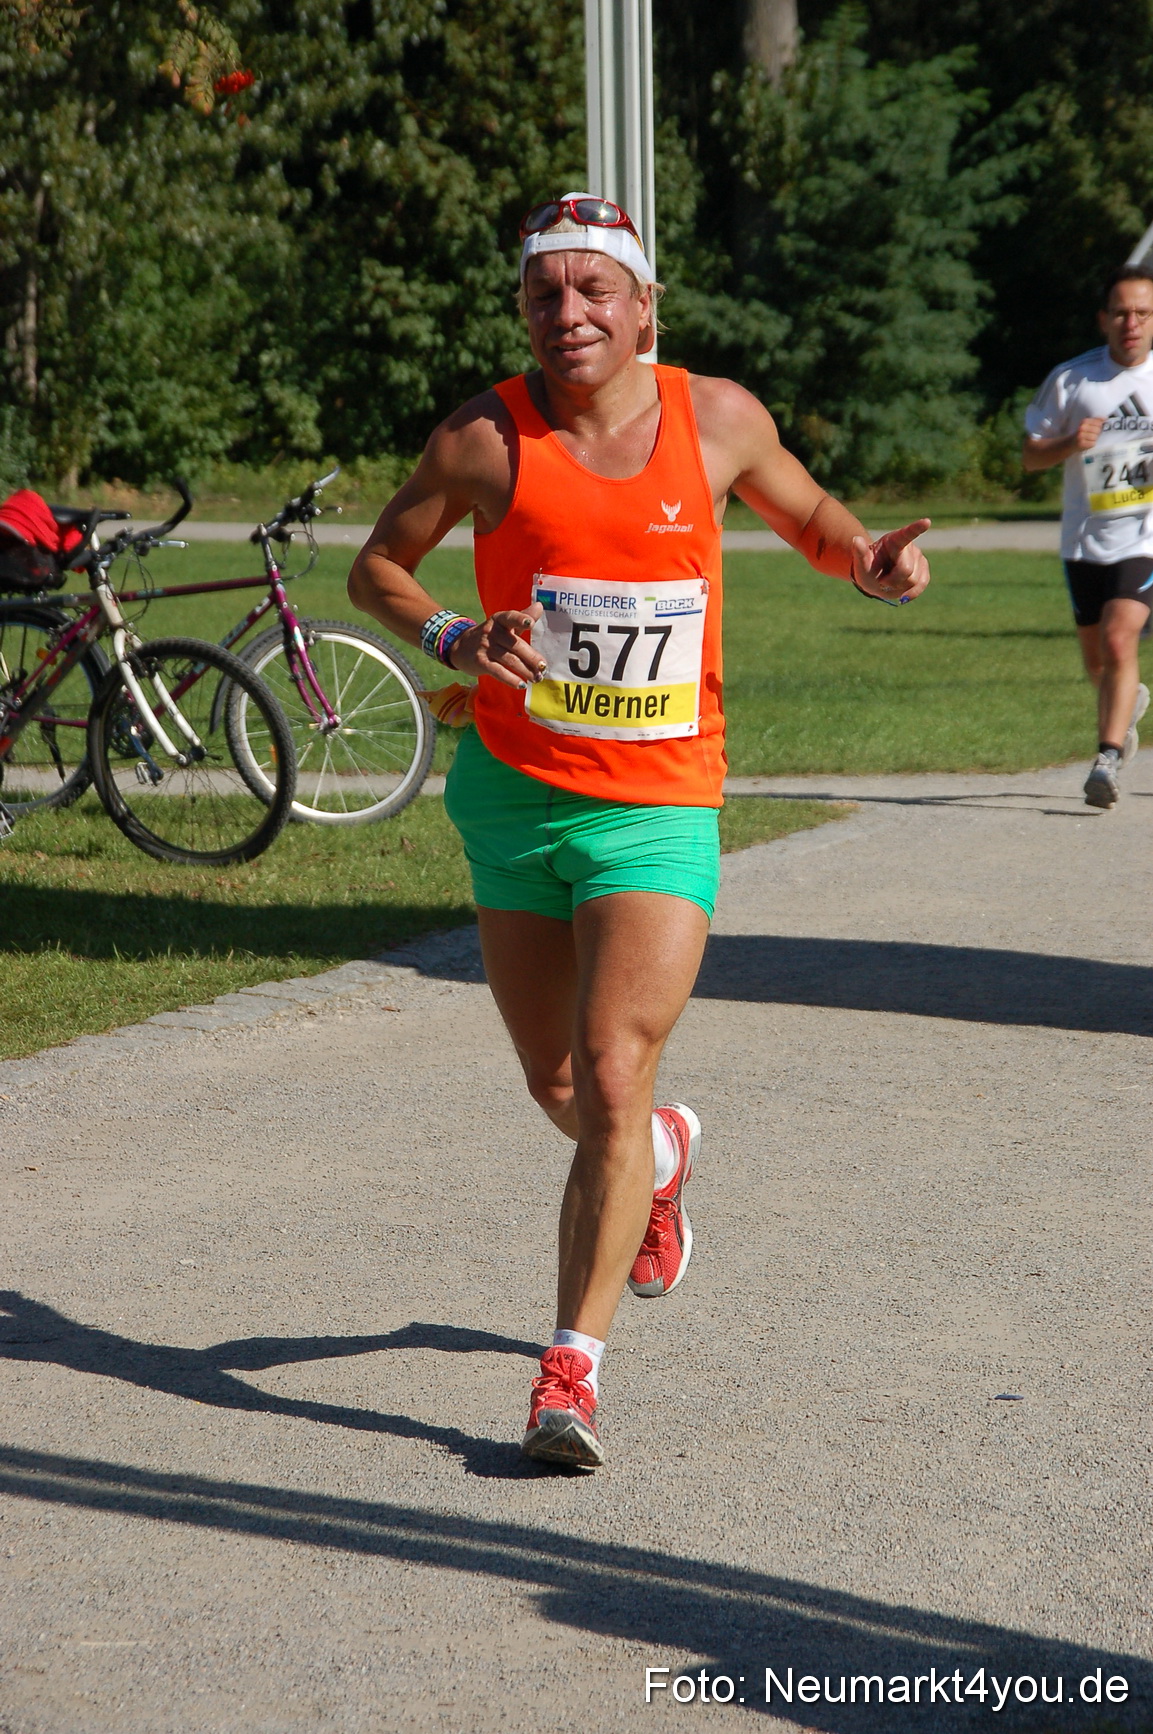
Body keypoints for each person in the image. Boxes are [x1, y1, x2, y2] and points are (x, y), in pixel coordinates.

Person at [348, 193, 930, 1470]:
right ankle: (661, 1160)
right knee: (559, 1085)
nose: (568, 314)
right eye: (544, 294)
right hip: (515, 793)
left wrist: (868, 560)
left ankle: (570, 1375)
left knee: (610, 1070)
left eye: (593, 289)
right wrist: (454, 633)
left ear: (644, 306)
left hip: (660, 802)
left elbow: (815, 523)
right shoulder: (483, 437)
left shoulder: (715, 418)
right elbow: (377, 565)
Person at [1023, 264, 1153, 808]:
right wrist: (1070, 443)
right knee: (1098, 663)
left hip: (1144, 539)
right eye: (1121, 313)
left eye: (1142, 313)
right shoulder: (1073, 380)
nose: (1131, 324)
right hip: (1084, 541)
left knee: (1121, 640)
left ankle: (1106, 759)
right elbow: (1031, 456)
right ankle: (1124, 704)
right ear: (1103, 319)